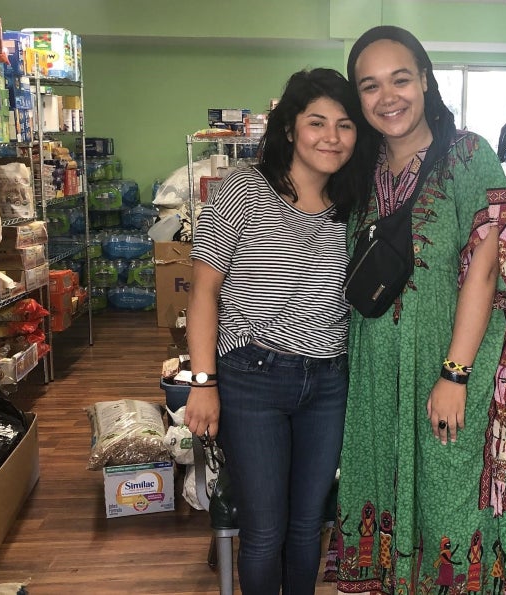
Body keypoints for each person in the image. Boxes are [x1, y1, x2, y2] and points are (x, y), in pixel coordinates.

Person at [335, 25, 506, 595]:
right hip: (374, 372)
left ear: (424, 79)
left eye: (400, 79)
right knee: (382, 491)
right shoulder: (360, 167)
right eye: (369, 86)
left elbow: (484, 266)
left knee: (452, 503)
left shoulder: (469, 155)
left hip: (449, 368)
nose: (387, 96)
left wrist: (455, 373)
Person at [184, 67, 370, 595]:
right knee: (264, 531)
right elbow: (203, 292)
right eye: (317, 122)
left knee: (308, 525)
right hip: (252, 378)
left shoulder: (353, 207)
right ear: (290, 128)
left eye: (345, 124)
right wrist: (203, 383)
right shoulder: (246, 190)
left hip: (329, 382)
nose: (331, 136)